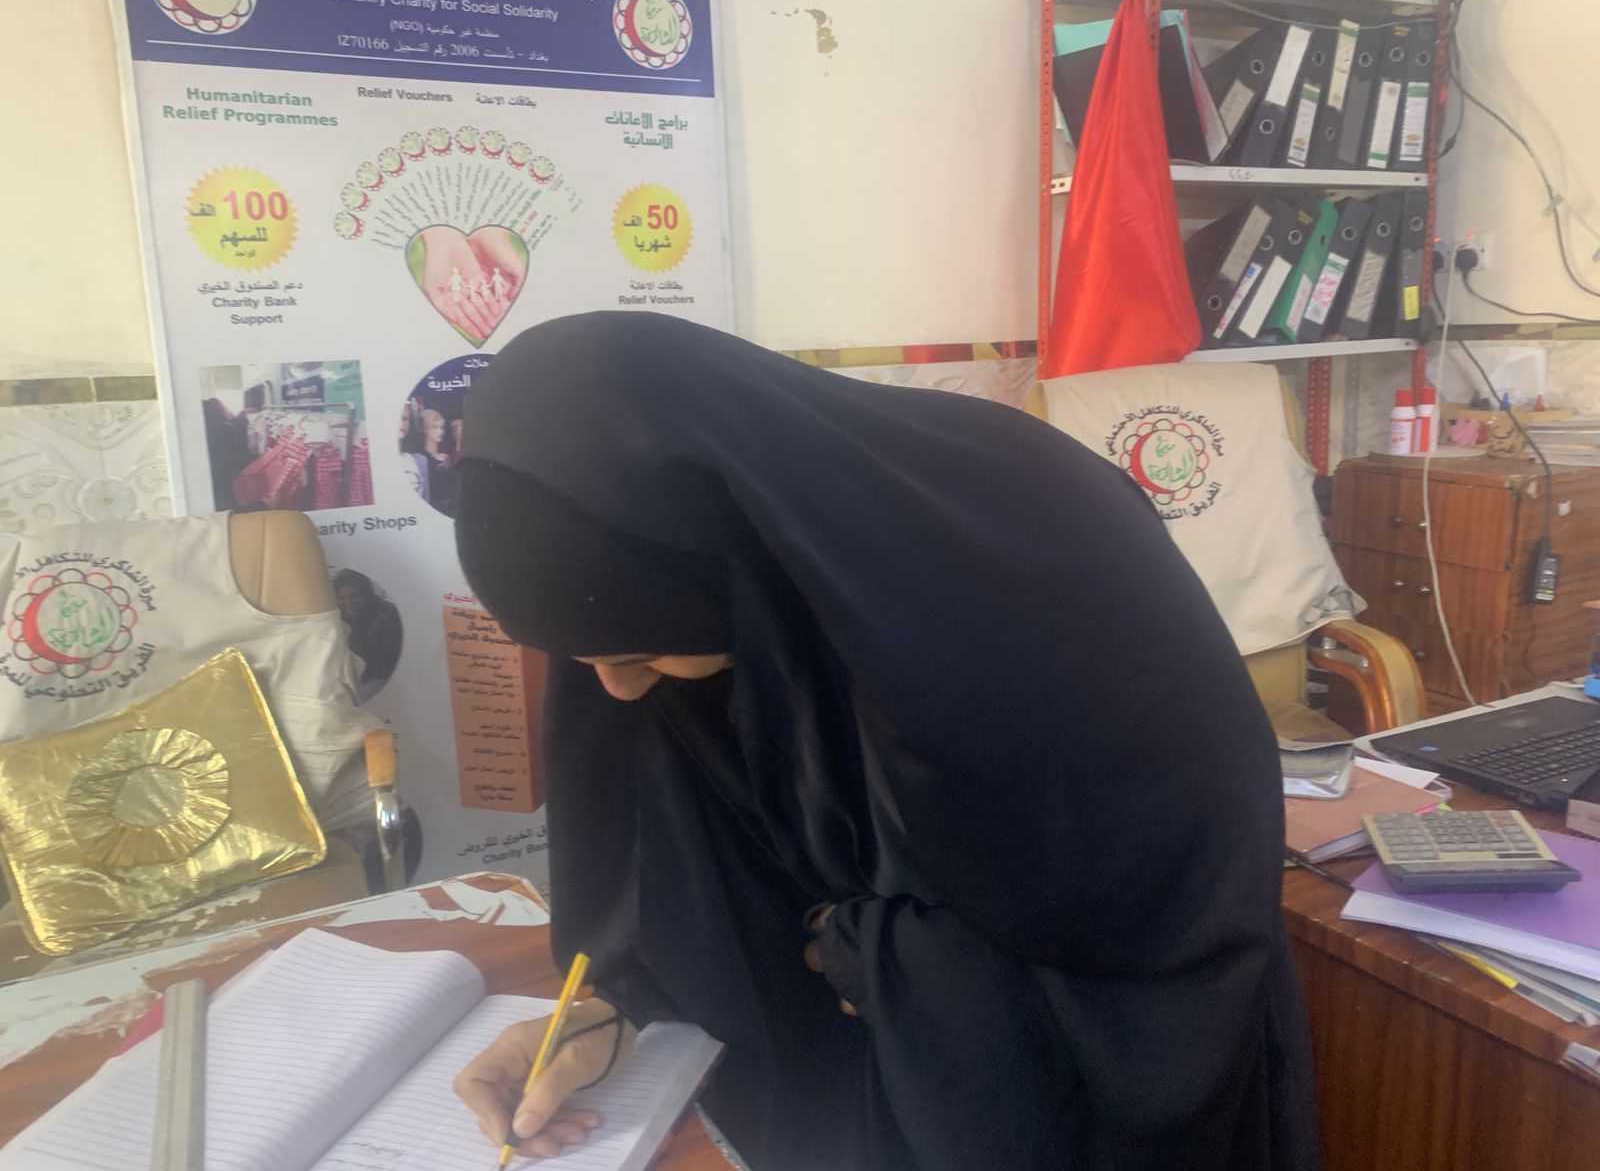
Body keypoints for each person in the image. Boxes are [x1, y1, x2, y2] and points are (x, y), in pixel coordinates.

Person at [450, 312, 1319, 1171]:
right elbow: (701, 856)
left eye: (638, 654)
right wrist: (615, 1011)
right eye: (583, 665)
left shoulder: (1036, 543)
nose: (618, 690)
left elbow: (1167, 899)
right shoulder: (694, 558)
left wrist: (882, 961)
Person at [333, 569, 403, 703]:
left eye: (355, 596)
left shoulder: (387, 613)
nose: (349, 603)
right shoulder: (337, 615)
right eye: (342, 598)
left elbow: (388, 661)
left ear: (367, 594)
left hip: (381, 679)